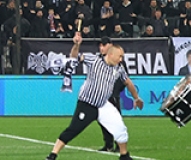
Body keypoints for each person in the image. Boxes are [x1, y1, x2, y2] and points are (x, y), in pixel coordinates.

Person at [45, 31, 143, 160]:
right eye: (120, 56)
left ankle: (124, 156)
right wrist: (77, 45)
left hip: (103, 105)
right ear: (111, 54)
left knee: (120, 128)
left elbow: (128, 82)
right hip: (87, 104)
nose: (121, 59)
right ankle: (53, 154)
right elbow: (74, 57)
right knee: (73, 130)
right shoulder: (94, 60)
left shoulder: (119, 68)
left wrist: (136, 98)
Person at [96, 37, 125, 153]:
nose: (101, 47)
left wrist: (115, 91)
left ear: (110, 45)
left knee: (116, 121)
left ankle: (119, 145)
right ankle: (108, 144)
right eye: (101, 45)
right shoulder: (98, 59)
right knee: (102, 120)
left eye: (104, 45)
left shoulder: (117, 59)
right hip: (101, 96)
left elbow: (123, 78)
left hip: (112, 95)